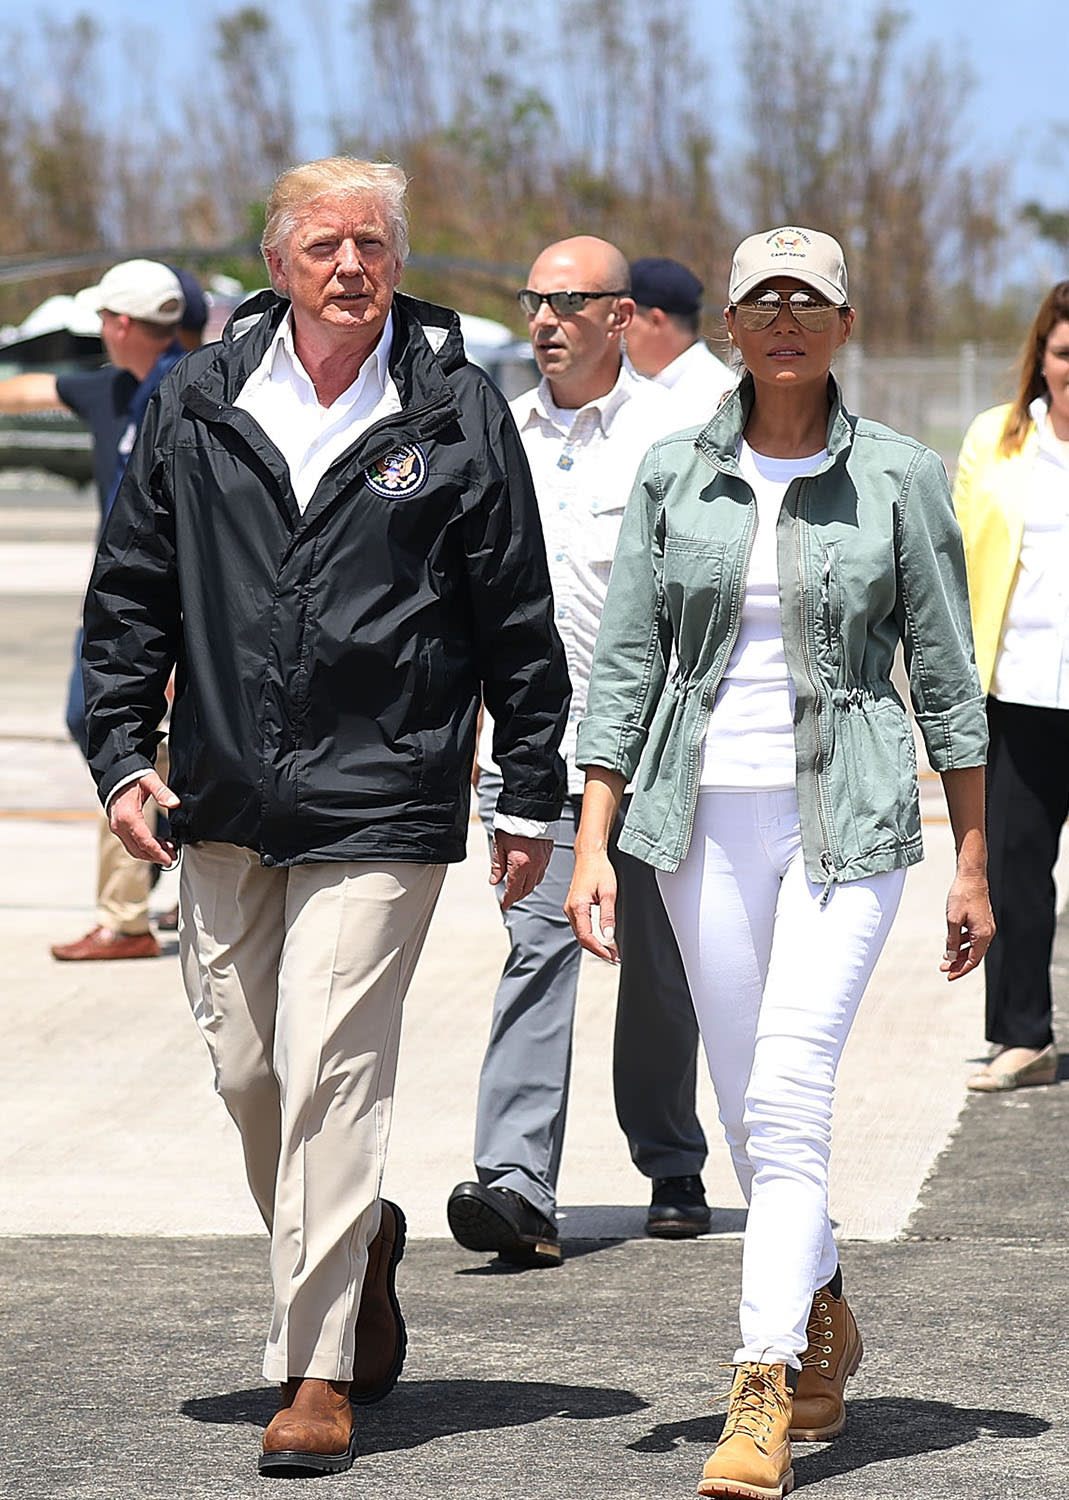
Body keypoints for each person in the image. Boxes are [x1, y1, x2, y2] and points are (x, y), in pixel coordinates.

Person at [81, 156, 569, 1477]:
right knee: (251, 1074)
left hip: (384, 791)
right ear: (276, 258)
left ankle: (317, 1368)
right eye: (324, 245)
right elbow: (130, 594)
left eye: (373, 244)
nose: (351, 266)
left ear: (399, 261)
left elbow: (513, 615)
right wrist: (122, 756)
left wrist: (528, 785)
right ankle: (358, 1246)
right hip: (223, 795)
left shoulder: (455, 408)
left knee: (332, 1073)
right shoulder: (197, 398)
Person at [565, 226, 992, 1499]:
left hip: (849, 821)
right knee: (748, 1104)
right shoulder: (669, 474)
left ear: (845, 326)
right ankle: (823, 1309)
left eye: (812, 300)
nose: (787, 319)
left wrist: (971, 860)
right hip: (695, 822)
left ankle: (757, 1386)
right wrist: (592, 842)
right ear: (730, 329)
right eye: (764, 300)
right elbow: (626, 668)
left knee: (789, 1091)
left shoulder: (902, 478)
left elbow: (949, 681)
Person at [446, 236, 710, 1270]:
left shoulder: (679, 433)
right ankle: (516, 1183)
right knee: (535, 951)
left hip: (650, 747)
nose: (545, 321)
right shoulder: (495, 436)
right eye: (534, 302)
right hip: (534, 752)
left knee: (658, 965)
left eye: (568, 303)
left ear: (621, 315)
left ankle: (671, 1161)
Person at [0, 259, 194, 960]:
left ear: (116, 323)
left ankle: (133, 908)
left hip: (161, 610)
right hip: (113, 605)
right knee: (94, 721)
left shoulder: (187, 388)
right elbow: (27, 390)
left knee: (134, 737)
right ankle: (148, 880)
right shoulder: (111, 387)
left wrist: (175, 638)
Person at [952, 281, 1069, 1093]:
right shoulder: (997, 439)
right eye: (1065, 352)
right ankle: (1023, 1037)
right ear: (1042, 356)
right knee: (1015, 872)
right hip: (1019, 692)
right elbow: (953, 554)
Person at [625, 255, 735, 420]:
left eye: (625, 316)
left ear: (655, 320)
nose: (617, 327)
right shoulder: (630, 381)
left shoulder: (720, 398)